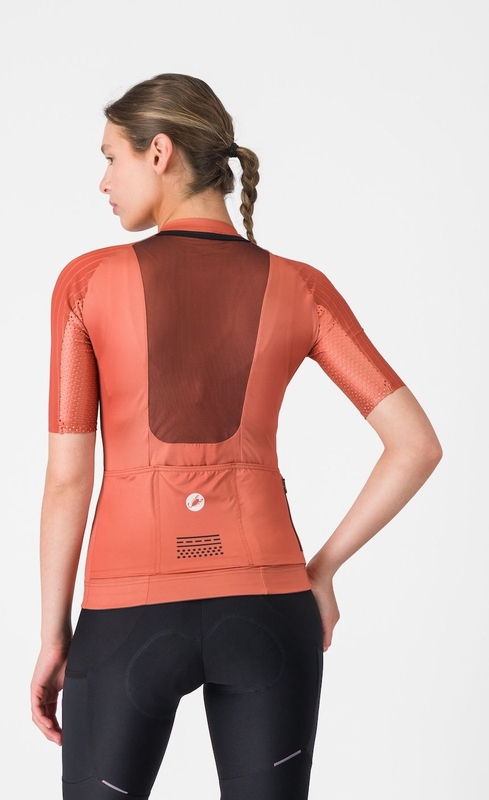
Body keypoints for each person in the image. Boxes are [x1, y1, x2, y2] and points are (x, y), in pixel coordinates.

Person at [30, 73, 442, 800]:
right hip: (269, 604)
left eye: (111, 158)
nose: (104, 182)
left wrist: (54, 635)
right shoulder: (300, 286)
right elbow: (415, 444)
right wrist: (321, 571)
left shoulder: (87, 283)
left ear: (159, 153)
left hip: (126, 613)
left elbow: (69, 480)